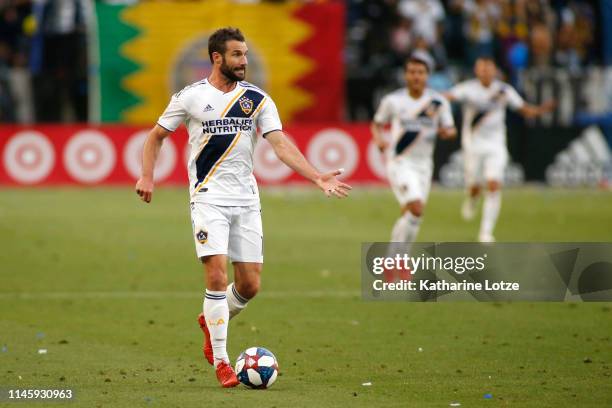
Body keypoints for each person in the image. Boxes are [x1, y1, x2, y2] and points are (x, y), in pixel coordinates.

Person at [135, 27, 351, 388]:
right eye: (237, 55)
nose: (244, 61)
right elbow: (155, 137)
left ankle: (211, 320)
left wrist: (316, 176)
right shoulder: (190, 98)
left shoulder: (257, 99)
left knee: (249, 285)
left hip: (247, 200)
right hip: (208, 198)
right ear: (217, 58)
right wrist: (147, 176)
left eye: (246, 54)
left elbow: (280, 145)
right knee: (217, 277)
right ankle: (221, 361)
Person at [445, 56, 555, 242]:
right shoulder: (468, 89)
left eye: (489, 68)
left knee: (494, 184)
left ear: (495, 71)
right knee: (474, 186)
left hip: (496, 144)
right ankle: (472, 199)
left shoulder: (504, 90)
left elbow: (523, 109)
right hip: (473, 145)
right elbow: (447, 96)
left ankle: (486, 232)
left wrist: (541, 111)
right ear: (476, 70)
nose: (485, 72)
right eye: (482, 68)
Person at [371, 52, 456, 282]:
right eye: (412, 72)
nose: (416, 76)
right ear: (405, 75)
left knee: (412, 215)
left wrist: (447, 132)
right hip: (400, 162)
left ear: (427, 76)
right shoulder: (394, 101)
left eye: (420, 72)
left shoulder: (438, 102)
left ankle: (393, 261)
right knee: (416, 208)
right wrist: (379, 139)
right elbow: (377, 123)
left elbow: (450, 128)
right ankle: (398, 261)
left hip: (424, 166)